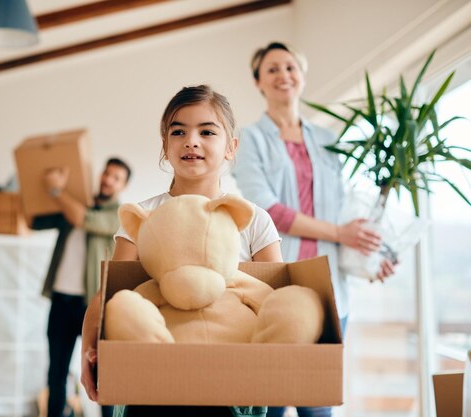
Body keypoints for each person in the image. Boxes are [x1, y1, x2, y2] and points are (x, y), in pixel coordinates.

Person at [80, 85, 282, 417]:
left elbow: (274, 300)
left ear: (231, 147)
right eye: (178, 131)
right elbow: (111, 295)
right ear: (165, 146)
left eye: (207, 131)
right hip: (151, 383)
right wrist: (87, 350)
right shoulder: (142, 217)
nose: (191, 140)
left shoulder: (254, 220)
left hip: (231, 383)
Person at [232, 41, 395, 417]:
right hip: (276, 285)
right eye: (272, 69)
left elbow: (344, 209)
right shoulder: (250, 139)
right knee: (266, 404)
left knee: (317, 407)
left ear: (302, 77)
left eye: (290, 67)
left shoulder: (328, 140)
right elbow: (267, 209)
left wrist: (372, 256)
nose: (283, 75)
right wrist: (341, 234)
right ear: (258, 82)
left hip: (330, 290)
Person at [40, 157, 131, 417]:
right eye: (106, 173)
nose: (108, 180)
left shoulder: (120, 214)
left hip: (93, 305)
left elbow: (85, 219)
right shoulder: (73, 207)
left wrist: (56, 190)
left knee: (104, 374)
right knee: (55, 373)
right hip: (60, 301)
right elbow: (35, 221)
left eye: (116, 178)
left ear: (122, 186)